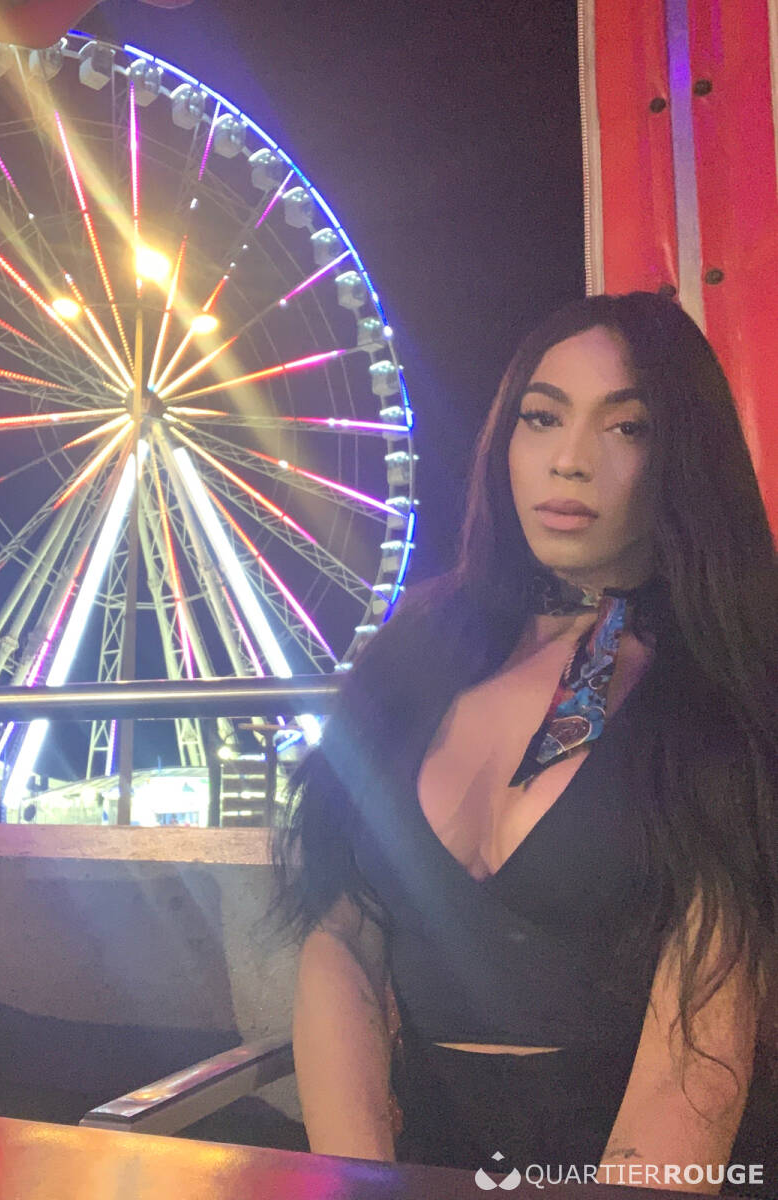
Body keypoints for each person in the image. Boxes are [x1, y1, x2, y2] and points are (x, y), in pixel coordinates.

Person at [270, 291, 778, 1189]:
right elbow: (342, 935)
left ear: (683, 457)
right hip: (422, 1160)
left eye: (627, 428)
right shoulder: (416, 650)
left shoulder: (728, 681)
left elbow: (705, 1032)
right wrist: (363, 1182)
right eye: (542, 418)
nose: (569, 460)